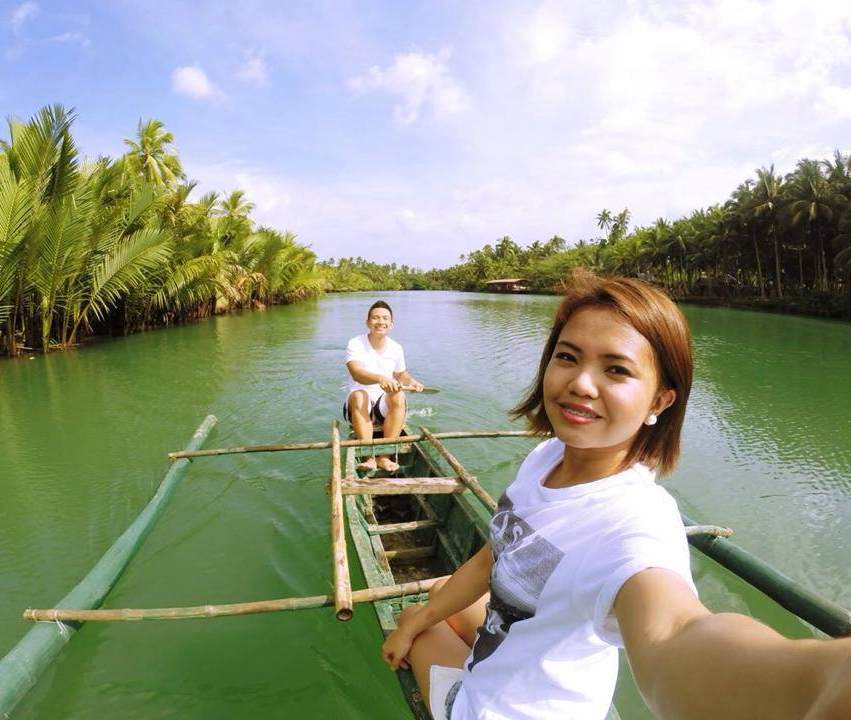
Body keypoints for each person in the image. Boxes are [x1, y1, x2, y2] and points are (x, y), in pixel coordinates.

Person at [381, 272, 851, 720]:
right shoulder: (546, 458)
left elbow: (675, 633)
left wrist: (816, 686)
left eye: (616, 369)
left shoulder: (636, 522)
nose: (581, 384)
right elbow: (493, 558)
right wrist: (427, 614)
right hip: (547, 679)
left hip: (498, 711)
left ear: (659, 402)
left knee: (414, 624)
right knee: (441, 592)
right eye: (567, 357)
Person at [345, 300, 424, 472]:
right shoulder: (355, 343)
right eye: (375, 318)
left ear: (391, 324)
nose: (380, 322)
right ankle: (368, 457)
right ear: (368, 322)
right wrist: (380, 378)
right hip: (359, 406)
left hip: (382, 407)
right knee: (359, 395)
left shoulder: (396, 348)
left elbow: (401, 374)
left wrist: (413, 382)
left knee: (398, 395)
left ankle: (384, 457)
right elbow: (356, 373)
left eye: (385, 318)